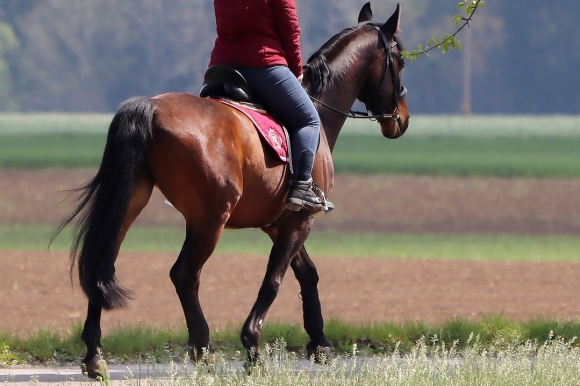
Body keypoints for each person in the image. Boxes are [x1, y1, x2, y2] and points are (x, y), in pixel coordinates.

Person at [209, 0, 330, 213]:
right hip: (262, 63)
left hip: (221, 66)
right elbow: (290, 27)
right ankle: (302, 187)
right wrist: (296, 68)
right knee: (308, 119)